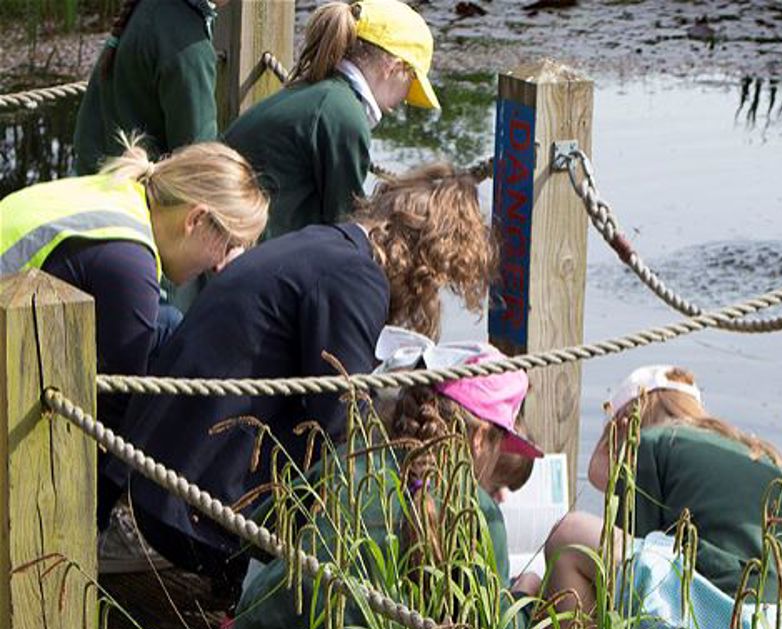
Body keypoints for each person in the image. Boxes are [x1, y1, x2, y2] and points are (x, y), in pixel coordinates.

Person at [108, 163, 494, 590]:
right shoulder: (357, 278)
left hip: (160, 486)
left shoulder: (322, 245)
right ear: (426, 262)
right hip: (192, 516)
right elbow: (341, 426)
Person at [219, 337, 542, 629]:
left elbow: (260, 535)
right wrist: (526, 592)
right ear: (480, 439)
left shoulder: (350, 459)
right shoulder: (476, 510)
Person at [0, 136, 268, 538]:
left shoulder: (124, 194)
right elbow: (118, 409)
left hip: (21, 323)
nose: (220, 265)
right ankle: (80, 535)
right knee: (139, 402)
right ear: (195, 219)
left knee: (169, 330)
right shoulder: (129, 263)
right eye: (228, 244)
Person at [542, 365, 782, 629]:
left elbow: (618, 601)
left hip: (737, 625)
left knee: (570, 539)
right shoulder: (755, 452)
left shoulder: (650, 443)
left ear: (624, 426)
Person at [224, 0, 440, 240]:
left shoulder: (318, 91)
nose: (404, 100)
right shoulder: (343, 116)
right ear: (394, 69)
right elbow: (345, 233)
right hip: (236, 258)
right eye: (411, 86)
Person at [73, 0, 225, 176]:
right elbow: (198, 168)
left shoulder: (155, 9)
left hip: (94, 180)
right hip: (126, 192)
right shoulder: (187, 46)